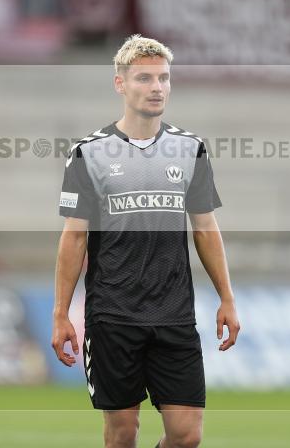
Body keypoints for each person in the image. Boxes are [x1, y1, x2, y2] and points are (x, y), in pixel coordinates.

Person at [51, 35, 240, 448]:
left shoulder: (190, 149)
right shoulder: (88, 153)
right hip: (112, 315)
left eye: (164, 78)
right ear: (120, 84)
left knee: (186, 435)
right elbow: (74, 237)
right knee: (122, 434)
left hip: (174, 314)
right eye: (145, 78)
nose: (157, 87)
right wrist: (62, 312)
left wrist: (226, 297)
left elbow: (206, 228)